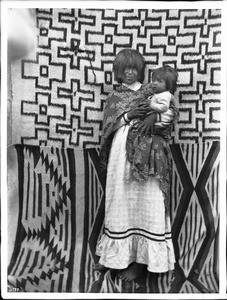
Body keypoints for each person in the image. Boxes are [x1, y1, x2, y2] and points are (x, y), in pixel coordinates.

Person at [94, 48, 178, 282]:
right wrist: (129, 115)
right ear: (118, 72)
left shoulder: (153, 90)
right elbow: (109, 127)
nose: (129, 72)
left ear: (141, 70)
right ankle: (114, 257)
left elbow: (171, 113)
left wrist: (153, 117)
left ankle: (141, 262)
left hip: (149, 154)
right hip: (121, 153)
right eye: (124, 69)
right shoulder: (115, 97)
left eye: (134, 68)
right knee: (120, 198)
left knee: (146, 200)